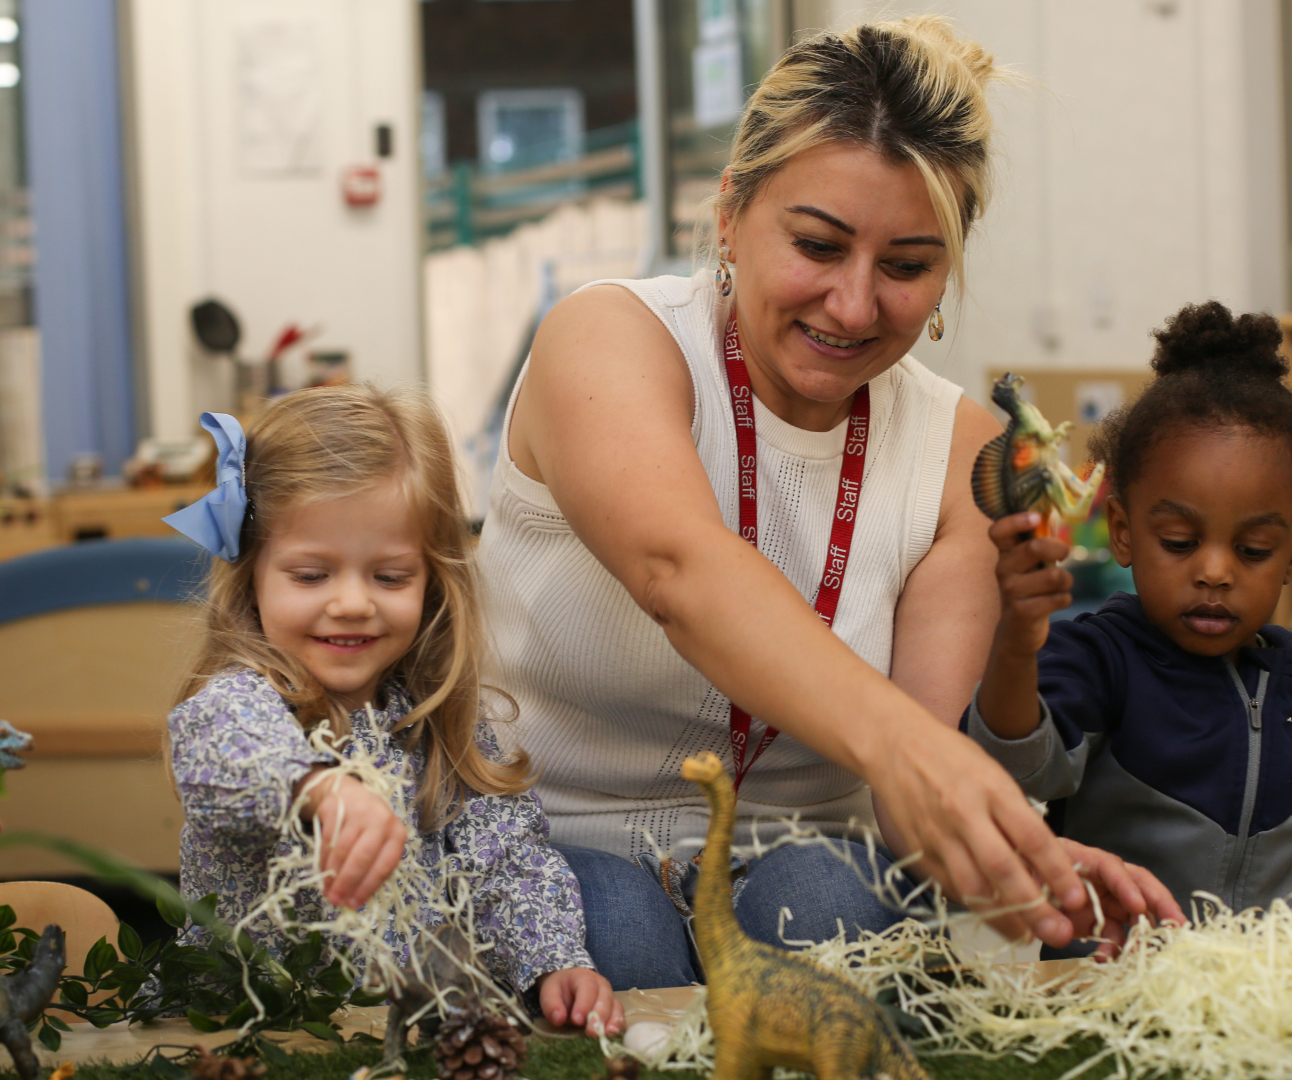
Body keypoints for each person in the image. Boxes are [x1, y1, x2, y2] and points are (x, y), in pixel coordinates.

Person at [478, 15, 1180, 989]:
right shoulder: (609, 340)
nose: (851, 307)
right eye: (816, 245)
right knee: (617, 939)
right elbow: (677, 568)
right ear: (729, 214)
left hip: (799, 854)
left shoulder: (958, 450)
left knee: (838, 917)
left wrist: (1010, 852)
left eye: (903, 267)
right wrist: (906, 753)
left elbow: (909, 803)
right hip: (555, 836)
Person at [164, 385, 622, 1036]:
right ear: (252, 574)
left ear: (433, 581)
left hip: (408, 1031)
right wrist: (319, 789)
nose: (352, 603)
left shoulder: (438, 722)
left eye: (389, 576)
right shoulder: (245, 703)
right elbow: (215, 748)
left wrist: (554, 963)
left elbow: (504, 864)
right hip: (260, 1031)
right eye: (311, 575)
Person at [967, 300, 1292, 927]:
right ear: (1122, 532)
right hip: (1111, 992)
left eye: (1253, 551)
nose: (1216, 572)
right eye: (1179, 542)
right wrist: (1015, 641)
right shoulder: (1095, 659)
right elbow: (1008, 777)